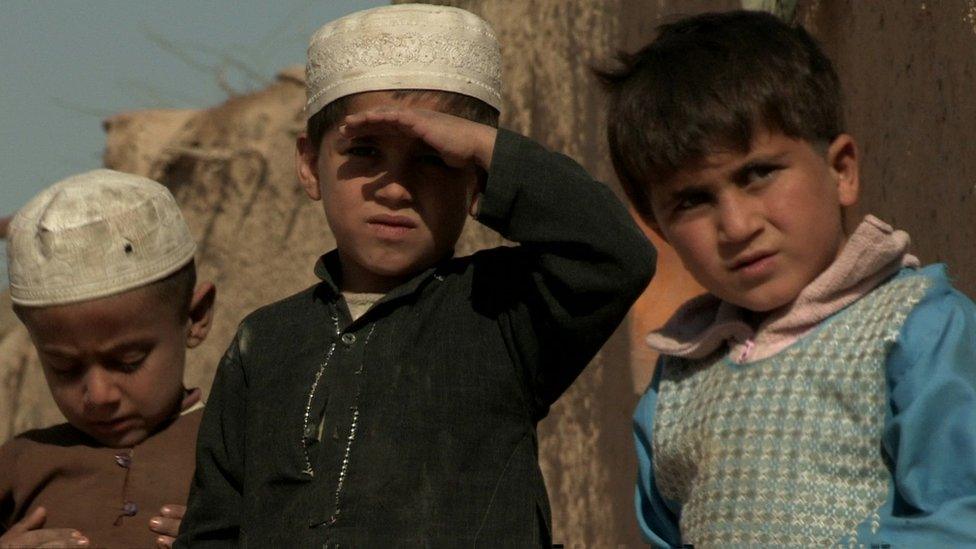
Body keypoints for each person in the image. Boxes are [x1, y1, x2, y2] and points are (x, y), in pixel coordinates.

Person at [176, 4, 654, 547]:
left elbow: (616, 254)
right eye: (364, 151)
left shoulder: (504, 311)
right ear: (309, 165)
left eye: (431, 157)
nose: (396, 189)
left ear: (475, 177)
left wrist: (484, 146)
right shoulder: (263, 343)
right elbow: (214, 527)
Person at [597, 9, 976, 546]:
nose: (736, 226)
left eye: (757, 174)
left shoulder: (915, 329)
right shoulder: (676, 386)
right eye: (692, 200)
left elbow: (962, 516)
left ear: (841, 170)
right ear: (660, 228)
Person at [0, 170, 216, 549]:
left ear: (195, 318)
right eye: (65, 368)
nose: (98, 396)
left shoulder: (238, 450)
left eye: (129, 362)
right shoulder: (19, 464)